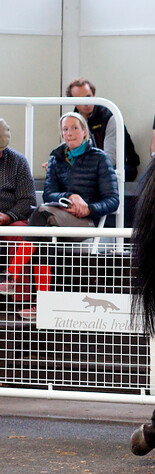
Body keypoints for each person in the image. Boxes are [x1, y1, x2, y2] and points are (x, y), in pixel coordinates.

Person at [12, 112, 119, 320]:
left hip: (86, 221)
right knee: (43, 234)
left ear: (85, 132)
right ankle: (42, 305)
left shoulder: (100, 158)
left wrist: (89, 208)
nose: (69, 133)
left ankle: (13, 275)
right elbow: (50, 192)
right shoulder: (56, 157)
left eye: (74, 128)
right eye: (65, 129)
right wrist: (70, 196)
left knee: (40, 217)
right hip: (58, 217)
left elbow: (113, 200)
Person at [66, 78, 141, 181]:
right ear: (73, 101)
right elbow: (69, 151)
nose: (86, 102)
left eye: (88, 96)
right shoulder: (71, 120)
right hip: (91, 168)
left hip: (122, 167)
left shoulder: (109, 117)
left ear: (94, 96)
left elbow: (110, 159)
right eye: (80, 98)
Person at [0, 119, 37, 301]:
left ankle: (20, 297)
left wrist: (8, 216)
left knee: (22, 234)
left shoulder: (18, 161)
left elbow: (28, 200)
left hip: (10, 218)